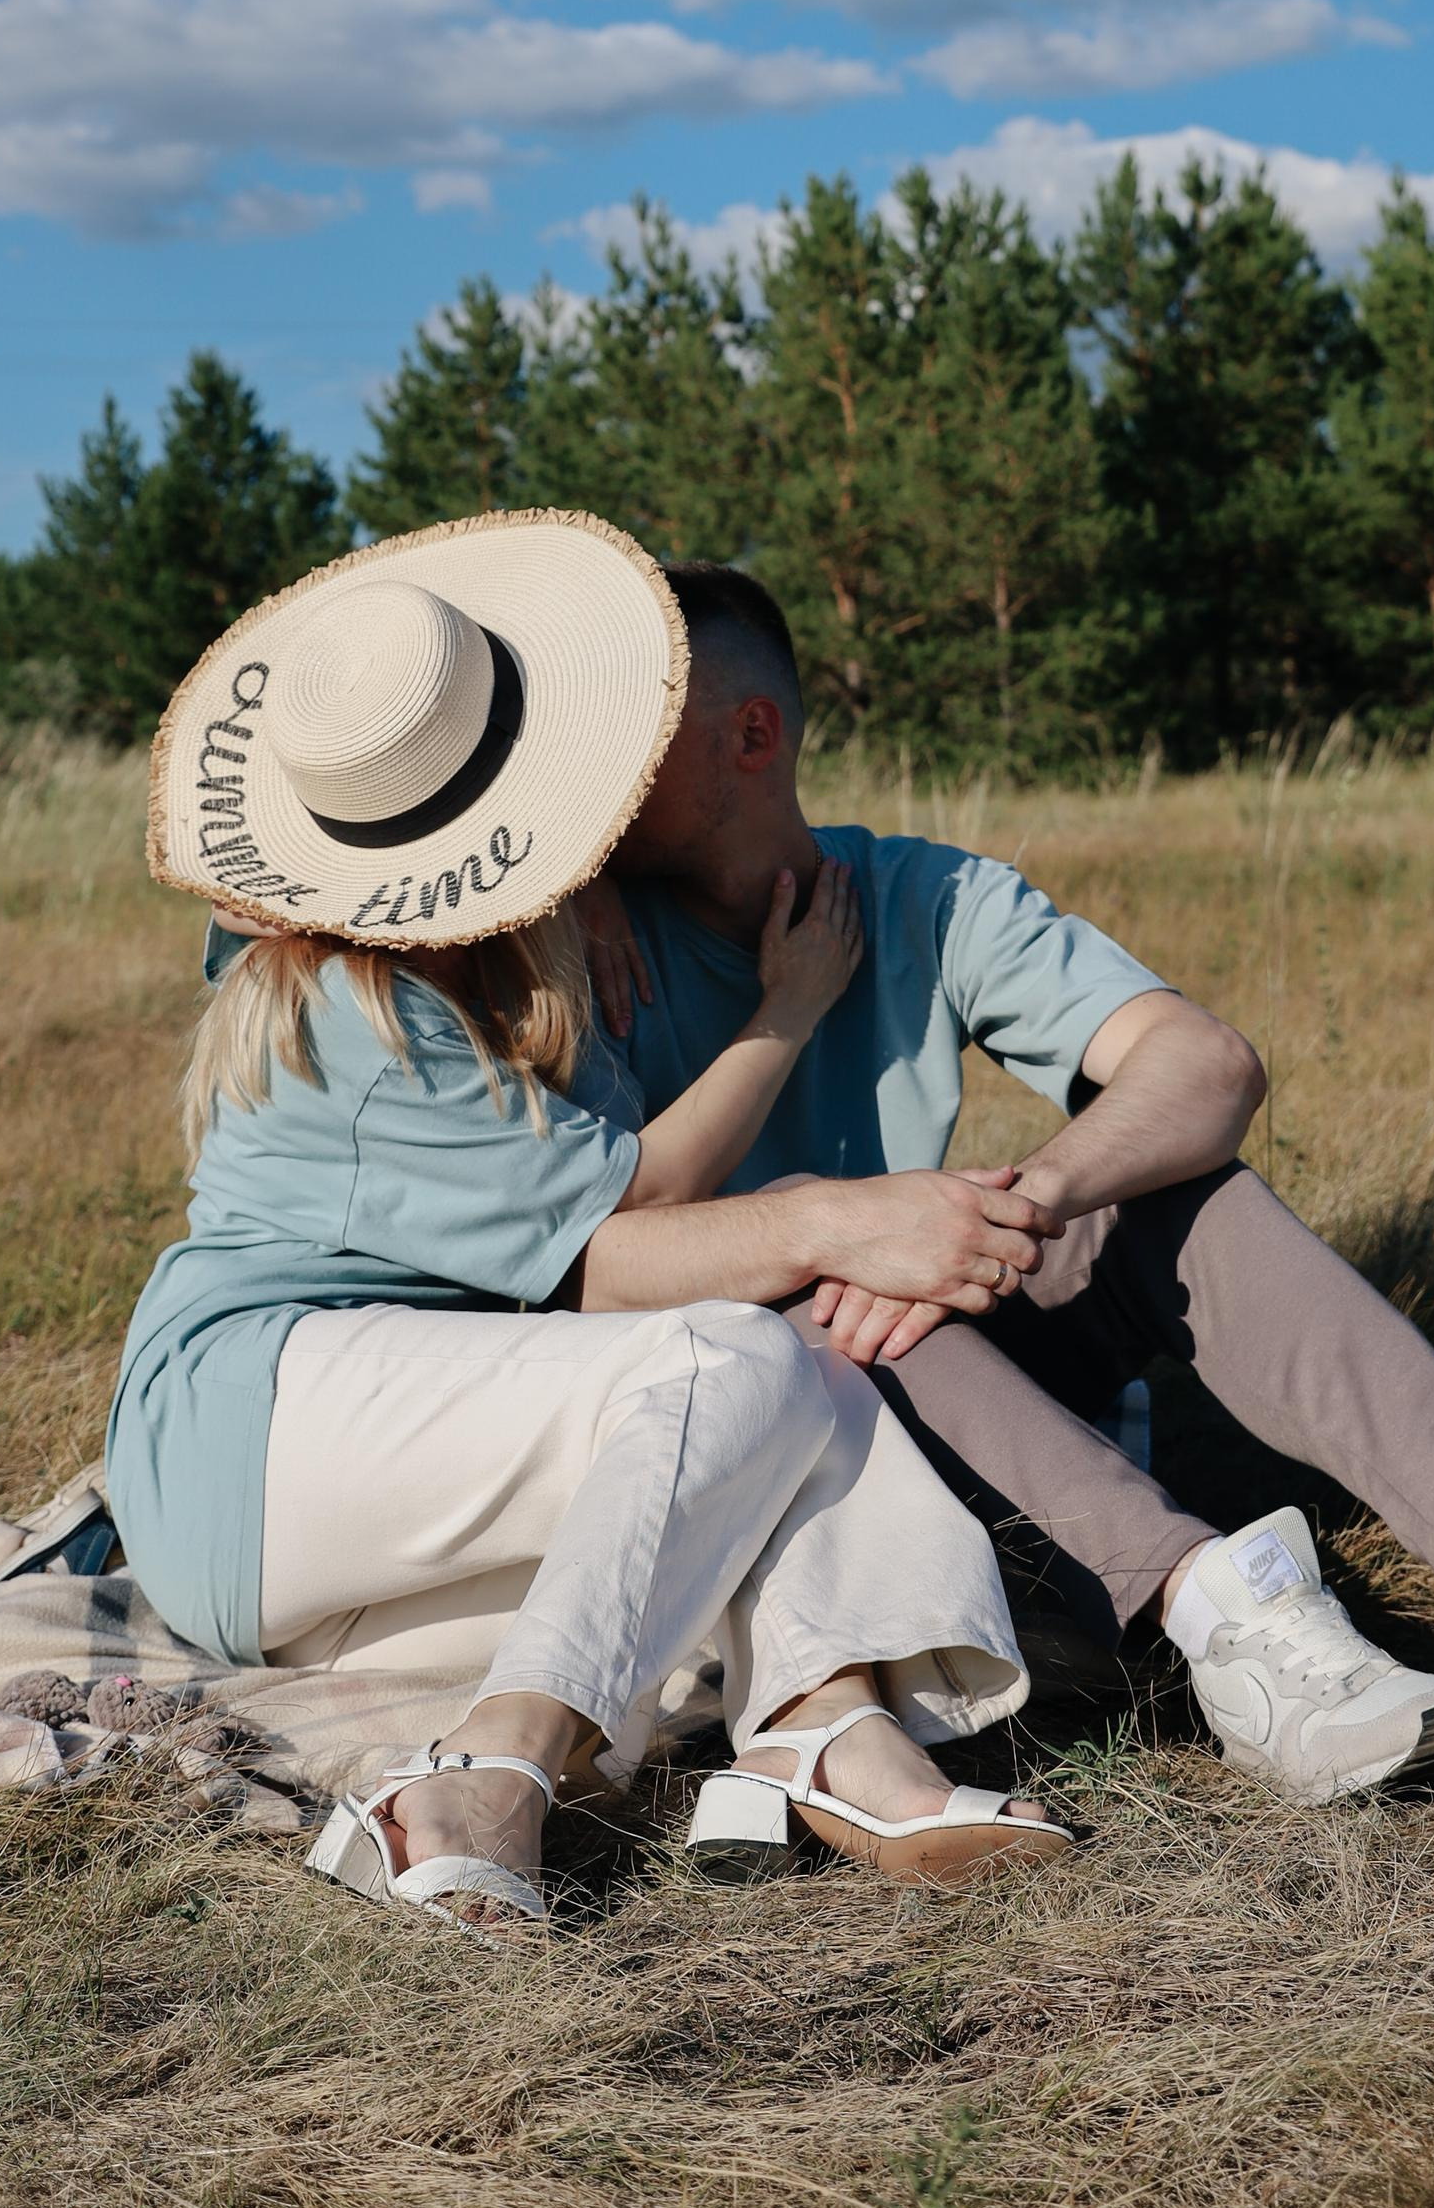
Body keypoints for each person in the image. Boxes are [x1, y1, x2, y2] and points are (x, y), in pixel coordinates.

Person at [574, 563, 1434, 1806]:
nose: (597, 759)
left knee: (1175, 1192)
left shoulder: (921, 896)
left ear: (751, 732)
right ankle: (1226, 1621)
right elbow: (603, 1254)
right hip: (766, 1397)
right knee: (826, 1306)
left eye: (635, 722)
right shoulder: (570, 934)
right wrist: (582, 898)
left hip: (948, 1345)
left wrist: (1022, 1201)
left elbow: (1206, 1063)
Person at [110, 511, 1075, 1932]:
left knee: (763, 1450)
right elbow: (626, 1240)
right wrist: (830, 1179)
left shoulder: (475, 948)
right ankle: (497, 1775)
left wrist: (577, 890)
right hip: (260, 1427)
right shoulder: (344, 1006)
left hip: (374, 1492)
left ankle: (829, 1724)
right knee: (736, 1361)